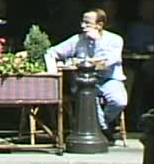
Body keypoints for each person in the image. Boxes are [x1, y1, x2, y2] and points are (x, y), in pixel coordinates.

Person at [45, 8, 127, 145]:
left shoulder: (115, 40)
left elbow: (108, 61)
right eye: (82, 22)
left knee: (119, 101)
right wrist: (55, 68)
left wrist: (97, 42)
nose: (83, 26)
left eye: (87, 23)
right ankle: (103, 129)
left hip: (109, 79)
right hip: (83, 82)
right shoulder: (77, 40)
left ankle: (101, 124)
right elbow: (52, 52)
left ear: (99, 25)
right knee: (87, 97)